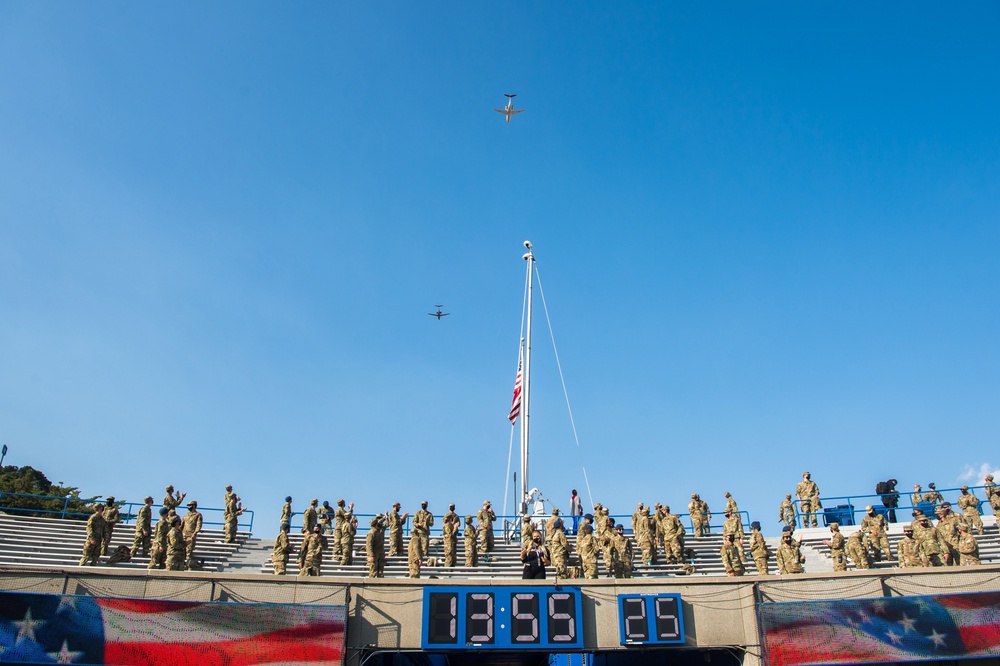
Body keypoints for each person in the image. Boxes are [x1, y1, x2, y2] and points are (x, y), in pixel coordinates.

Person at [181, 500, 203, 570]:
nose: (188, 507)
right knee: (181, 551)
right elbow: (182, 525)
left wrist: (195, 533)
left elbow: (198, 525)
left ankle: (189, 567)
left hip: (191, 536)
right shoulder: (186, 515)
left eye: (190, 505)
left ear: (194, 506)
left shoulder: (198, 515)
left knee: (189, 552)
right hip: (184, 535)